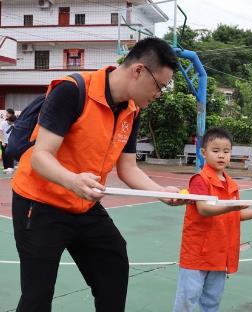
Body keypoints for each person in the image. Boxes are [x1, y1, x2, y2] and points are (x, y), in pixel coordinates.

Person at [11, 37, 183, 312]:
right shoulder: (73, 90)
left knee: (113, 268)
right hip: (40, 205)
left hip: (84, 205)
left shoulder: (131, 110)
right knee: (37, 296)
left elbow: (128, 168)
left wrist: (160, 192)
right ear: (139, 70)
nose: (158, 95)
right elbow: (41, 158)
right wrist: (73, 180)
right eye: (159, 86)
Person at [173, 128, 252, 312]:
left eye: (226, 151)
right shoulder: (199, 180)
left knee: (212, 302)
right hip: (197, 252)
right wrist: (231, 206)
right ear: (203, 152)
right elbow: (203, 209)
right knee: (187, 299)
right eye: (215, 150)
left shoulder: (231, 184)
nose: (221, 155)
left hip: (220, 254)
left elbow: (236, 215)